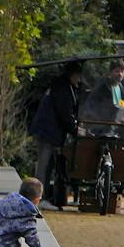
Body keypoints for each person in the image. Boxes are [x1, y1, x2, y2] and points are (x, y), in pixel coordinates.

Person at [30, 61, 82, 190]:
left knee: (48, 163)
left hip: (49, 130)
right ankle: (39, 197)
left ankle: (43, 195)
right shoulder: (62, 89)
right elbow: (64, 113)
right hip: (47, 130)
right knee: (44, 164)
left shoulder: (63, 86)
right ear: (73, 74)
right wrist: (75, 128)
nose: (80, 79)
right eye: (78, 75)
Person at [83, 60, 124, 125]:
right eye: (117, 71)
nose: (120, 74)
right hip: (96, 125)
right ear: (110, 72)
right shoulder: (103, 86)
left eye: (122, 71)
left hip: (111, 126)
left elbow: (122, 105)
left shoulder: (119, 87)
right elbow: (91, 107)